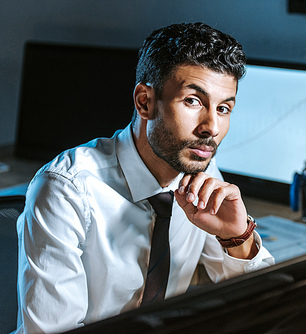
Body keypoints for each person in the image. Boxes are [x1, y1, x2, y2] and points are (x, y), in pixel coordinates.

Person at [15, 22, 274, 333]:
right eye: (193, 101)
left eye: (223, 108)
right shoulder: (65, 190)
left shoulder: (199, 169)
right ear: (145, 102)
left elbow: (268, 304)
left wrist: (237, 238)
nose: (212, 127)